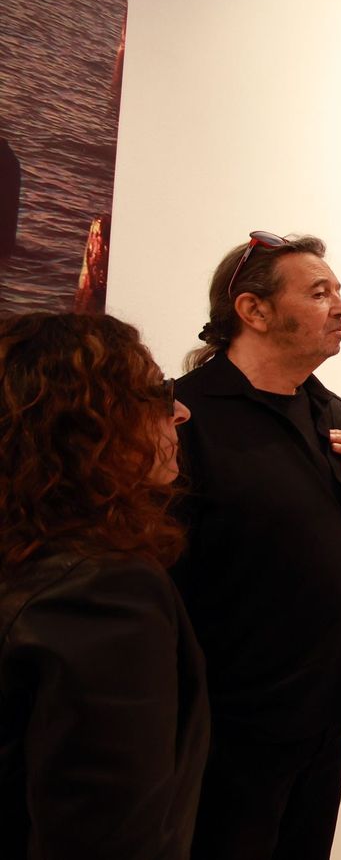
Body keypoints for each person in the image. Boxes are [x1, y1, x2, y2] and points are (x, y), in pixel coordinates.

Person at [172, 232, 341, 860]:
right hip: (236, 719)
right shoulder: (183, 417)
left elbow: (302, 521)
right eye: (320, 293)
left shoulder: (327, 407)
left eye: (338, 291)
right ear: (254, 311)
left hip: (328, 699)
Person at [0, 312, 208, 859]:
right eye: (157, 394)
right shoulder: (103, 589)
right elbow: (110, 832)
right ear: (89, 423)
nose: (180, 412)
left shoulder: (23, 549)